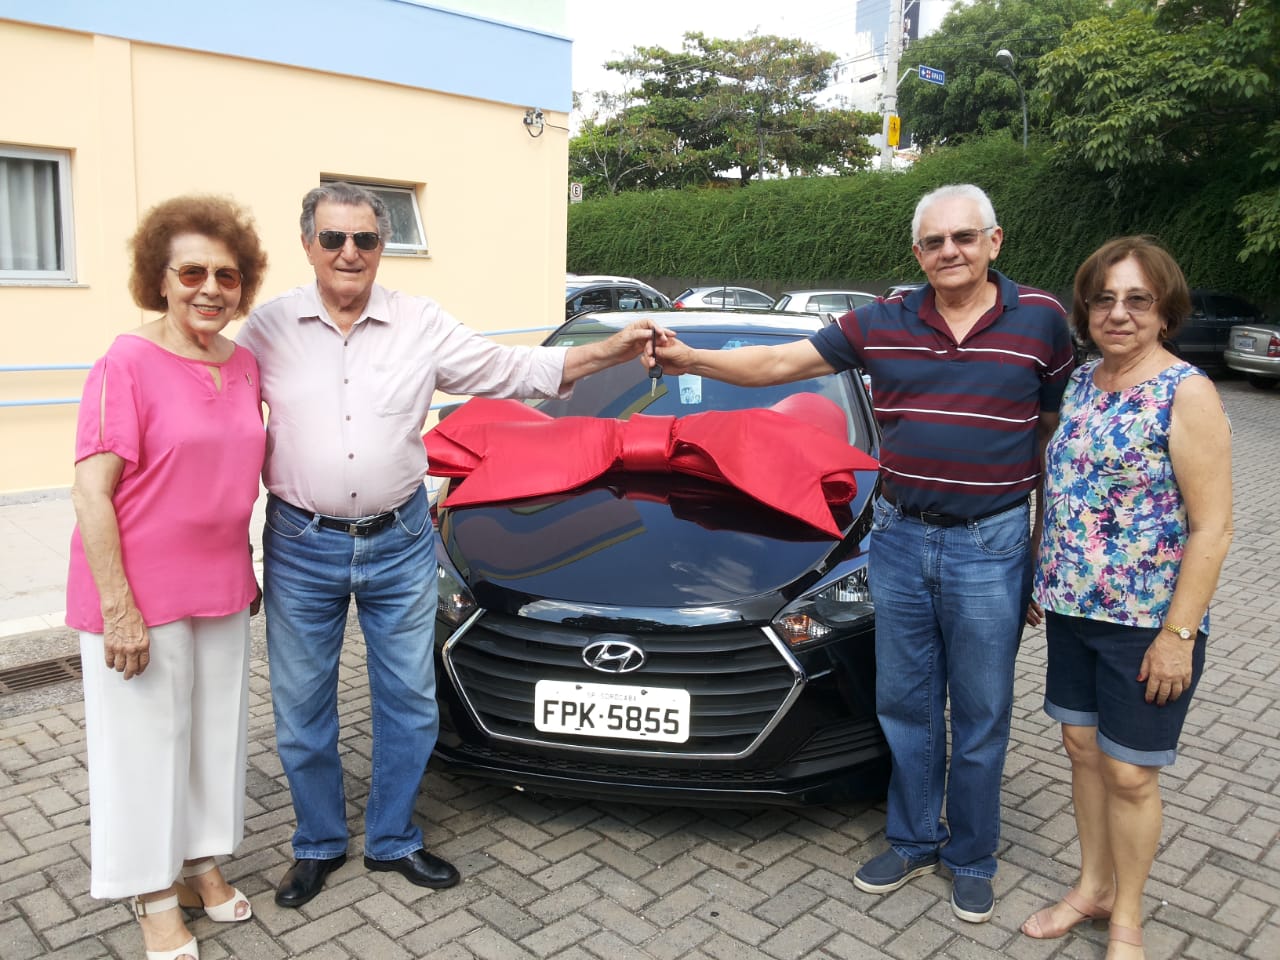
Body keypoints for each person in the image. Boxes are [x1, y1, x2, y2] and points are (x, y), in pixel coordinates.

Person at [651, 183, 1075, 922]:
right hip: (900, 539)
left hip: (991, 544)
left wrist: (1042, 553)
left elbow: (1050, 437)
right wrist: (689, 357)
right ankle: (912, 839)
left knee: (982, 711)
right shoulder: (880, 321)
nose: (950, 251)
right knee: (906, 704)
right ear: (918, 252)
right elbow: (776, 365)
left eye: (964, 237)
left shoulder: (1042, 320)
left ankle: (972, 855)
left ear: (994, 241)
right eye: (935, 242)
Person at [237, 181, 661, 908]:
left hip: (399, 540)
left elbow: (516, 371)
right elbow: (220, 420)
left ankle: (393, 838)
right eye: (333, 238)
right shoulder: (268, 329)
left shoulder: (419, 322)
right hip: (302, 544)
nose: (349, 252)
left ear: (382, 247)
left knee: (409, 701)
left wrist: (612, 348)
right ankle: (317, 843)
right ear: (308, 244)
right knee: (301, 709)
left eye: (365, 239)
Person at [68, 196, 269, 960]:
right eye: (192, 273)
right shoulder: (124, 363)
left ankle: (198, 863)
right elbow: (90, 492)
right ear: (160, 278)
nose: (210, 288)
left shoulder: (243, 364)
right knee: (145, 748)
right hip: (139, 592)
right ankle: (151, 894)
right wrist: (118, 607)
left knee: (213, 739)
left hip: (221, 582)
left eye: (227, 275)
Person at [1021, 237, 1232, 959]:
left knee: (1131, 773)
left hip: (1146, 623)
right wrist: (1040, 567)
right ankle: (1092, 888)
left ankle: (1127, 918)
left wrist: (1179, 635)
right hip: (1072, 608)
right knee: (1081, 749)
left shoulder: (1186, 392)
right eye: (1104, 299)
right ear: (1085, 310)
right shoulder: (1082, 382)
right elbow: (1058, 484)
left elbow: (1212, 526)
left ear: (1165, 311)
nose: (1118, 313)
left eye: (1137, 299)